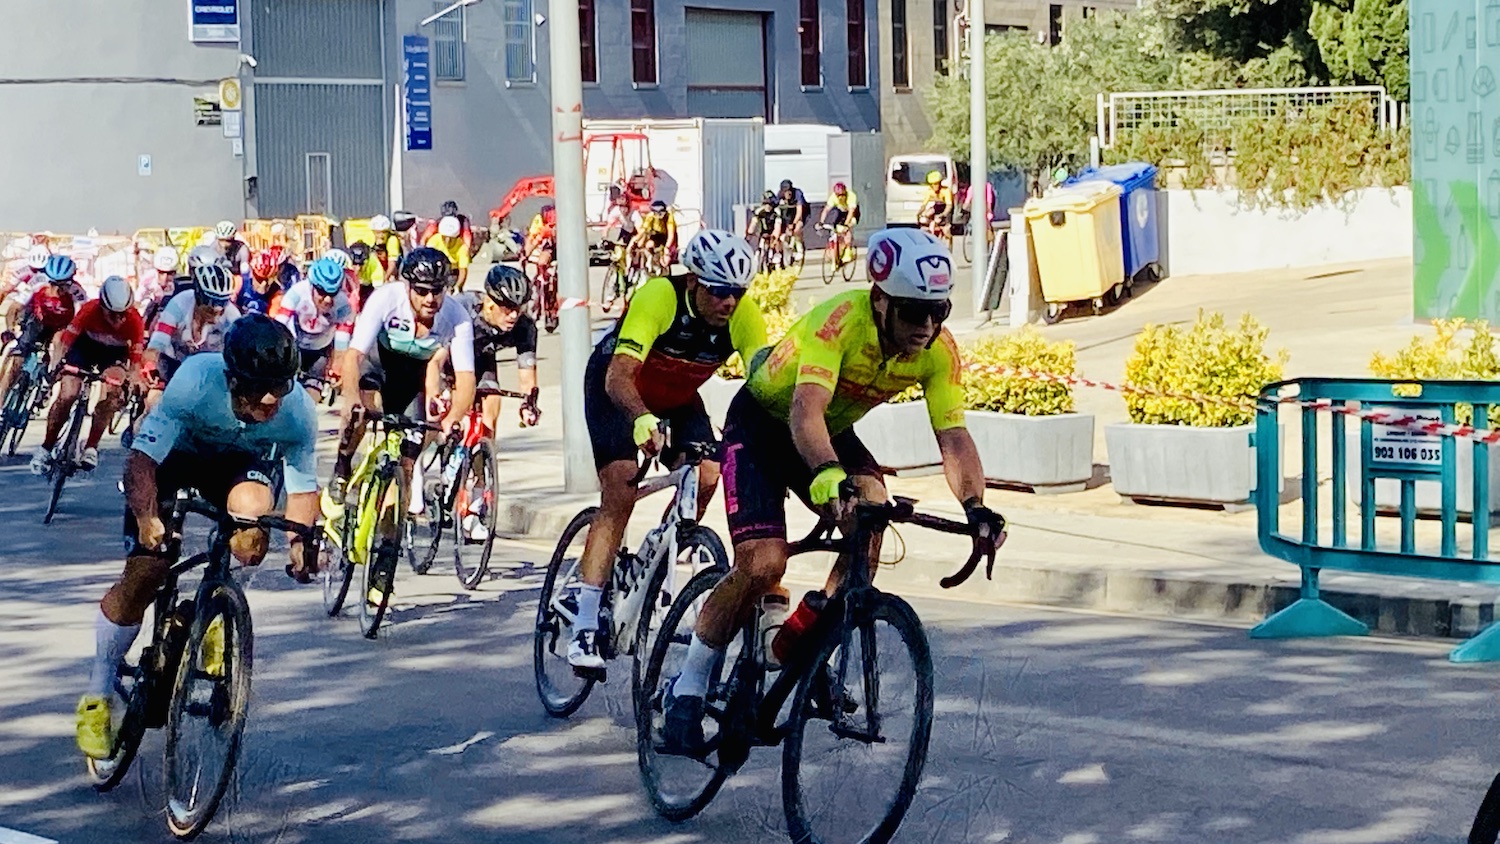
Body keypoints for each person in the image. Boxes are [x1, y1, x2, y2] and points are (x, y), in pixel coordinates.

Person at [657, 228, 1004, 754]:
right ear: (881, 301)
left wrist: (976, 507)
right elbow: (804, 411)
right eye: (914, 312)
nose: (927, 327)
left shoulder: (937, 350)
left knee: (872, 517)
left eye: (939, 311)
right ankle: (685, 688)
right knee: (762, 565)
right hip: (766, 422)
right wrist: (824, 474)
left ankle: (801, 639)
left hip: (828, 431)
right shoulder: (841, 323)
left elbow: (953, 435)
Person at [74, 315, 319, 760]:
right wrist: (149, 517)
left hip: (238, 465)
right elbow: (142, 462)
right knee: (148, 568)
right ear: (231, 379)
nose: (269, 400)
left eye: (279, 388)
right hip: (175, 457)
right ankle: (97, 694)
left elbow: (302, 489)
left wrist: (301, 547)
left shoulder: (298, 411)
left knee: (250, 534)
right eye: (256, 388)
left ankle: (213, 612)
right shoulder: (195, 383)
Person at [569, 229, 766, 670]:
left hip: (677, 399)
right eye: (719, 292)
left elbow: (764, 385)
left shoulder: (741, 314)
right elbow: (619, 376)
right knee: (620, 487)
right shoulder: (661, 296)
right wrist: (640, 418)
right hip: (618, 391)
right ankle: (584, 622)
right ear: (694, 282)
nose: (729, 303)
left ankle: (657, 557)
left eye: (737, 293)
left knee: (708, 473)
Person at [325, 247, 476, 520]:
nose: (430, 298)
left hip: (413, 378)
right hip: (378, 365)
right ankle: (343, 466)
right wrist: (352, 398)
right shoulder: (386, 298)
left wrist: (453, 417)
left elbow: (466, 378)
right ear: (407, 286)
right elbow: (354, 356)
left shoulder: (457, 317)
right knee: (363, 411)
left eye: (437, 290)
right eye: (421, 290)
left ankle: (388, 538)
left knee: (408, 460)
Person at [430, 264, 541, 541]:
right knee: (449, 412)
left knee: (490, 416)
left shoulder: (524, 327)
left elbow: (527, 375)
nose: (513, 315)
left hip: (481, 360)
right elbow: (438, 357)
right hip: (448, 358)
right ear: (488, 302)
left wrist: (529, 403)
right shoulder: (464, 309)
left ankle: (476, 502)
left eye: (519, 307)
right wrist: (442, 391)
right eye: (506, 308)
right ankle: (442, 457)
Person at [30, 276, 145, 474]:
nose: (119, 320)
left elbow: (135, 362)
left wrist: (133, 381)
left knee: (114, 391)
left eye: (123, 314)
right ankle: (46, 447)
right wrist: (57, 366)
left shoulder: (134, 320)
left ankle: (91, 446)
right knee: (68, 393)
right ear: (102, 307)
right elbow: (65, 342)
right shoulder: (89, 310)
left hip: (113, 355)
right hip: (84, 348)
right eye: (113, 314)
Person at [143, 263, 241, 412]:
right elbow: (157, 344)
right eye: (211, 302)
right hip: (173, 364)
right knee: (154, 404)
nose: (218, 308)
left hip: (211, 370)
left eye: (223, 302)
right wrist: (150, 364)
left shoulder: (232, 315)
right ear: (198, 297)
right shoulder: (178, 305)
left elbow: (241, 352)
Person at [0, 255, 87, 404]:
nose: (56, 289)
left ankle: (50, 376)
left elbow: (81, 320)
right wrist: (11, 329)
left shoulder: (77, 292)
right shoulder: (37, 283)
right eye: (53, 284)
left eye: (63, 285)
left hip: (62, 325)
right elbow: (15, 307)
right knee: (18, 358)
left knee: (59, 340)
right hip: (38, 321)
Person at [272, 257, 354, 401]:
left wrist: (338, 366)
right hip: (295, 347)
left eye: (333, 293)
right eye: (322, 292)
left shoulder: (343, 304)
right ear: (312, 286)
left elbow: (342, 341)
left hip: (320, 349)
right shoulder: (297, 293)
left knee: (311, 397)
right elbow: (280, 326)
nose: (328, 299)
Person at [1, 245, 54, 338]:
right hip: (31, 292)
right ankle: (11, 333)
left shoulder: (54, 271)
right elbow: (5, 291)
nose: (38, 272)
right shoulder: (22, 270)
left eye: (42, 269)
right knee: (14, 307)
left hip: (48, 297)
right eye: (35, 269)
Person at [423, 216, 470, 290]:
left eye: (451, 239)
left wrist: (457, 287)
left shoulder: (462, 247)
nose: (448, 241)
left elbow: (463, 270)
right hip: (436, 271)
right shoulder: (434, 241)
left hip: (452, 273)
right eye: (445, 237)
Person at [820, 181, 861, 264]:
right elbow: (826, 210)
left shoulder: (851, 196)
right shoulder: (833, 197)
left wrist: (846, 224)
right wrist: (821, 221)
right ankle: (837, 249)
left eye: (842, 195)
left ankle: (848, 250)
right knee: (836, 229)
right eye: (838, 195)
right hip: (841, 212)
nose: (840, 197)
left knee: (847, 228)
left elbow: (851, 212)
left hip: (852, 213)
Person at [630, 200, 677, 272]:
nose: (658, 215)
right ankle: (650, 262)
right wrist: (635, 241)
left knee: (666, 258)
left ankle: (664, 269)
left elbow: (671, 235)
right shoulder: (650, 216)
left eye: (661, 212)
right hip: (656, 235)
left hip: (667, 237)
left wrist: (667, 248)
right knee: (647, 245)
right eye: (655, 212)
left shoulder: (669, 217)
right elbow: (643, 230)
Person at [214, 220, 253, 289]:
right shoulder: (212, 247)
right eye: (221, 240)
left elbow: (245, 271)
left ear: (233, 238)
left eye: (228, 241)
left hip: (237, 283)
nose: (224, 245)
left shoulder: (242, 249)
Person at [918, 171, 954, 242]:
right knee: (927, 214)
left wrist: (943, 214)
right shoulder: (929, 191)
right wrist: (919, 213)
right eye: (933, 184)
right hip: (937, 206)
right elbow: (924, 205)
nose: (936, 186)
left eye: (937, 183)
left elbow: (949, 206)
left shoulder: (946, 190)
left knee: (946, 230)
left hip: (946, 208)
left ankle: (949, 242)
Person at [369, 215, 403, 280]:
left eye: (384, 232)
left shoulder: (392, 240)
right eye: (378, 233)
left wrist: (385, 279)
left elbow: (392, 265)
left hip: (395, 272)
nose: (381, 235)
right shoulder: (371, 237)